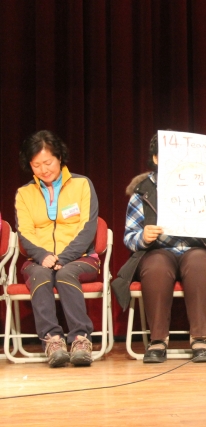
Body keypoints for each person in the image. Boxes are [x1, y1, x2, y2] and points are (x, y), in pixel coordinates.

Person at [111, 133, 206, 363]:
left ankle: (200, 338)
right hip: (158, 251)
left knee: (198, 261)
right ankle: (158, 340)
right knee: (157, 265)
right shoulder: (144, 189)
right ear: (156, 158)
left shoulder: (203, 181)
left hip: (197, 248)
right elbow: (129, 237)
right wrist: (142, 237)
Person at [15, 130, 99, 367]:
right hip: (39, 260)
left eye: (48, 162)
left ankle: (81, 339)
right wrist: (42, 255)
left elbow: (88, 227)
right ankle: (52, 341)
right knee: (40, 274)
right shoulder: (24, 193)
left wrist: (64, 258)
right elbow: (24, 232)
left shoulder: (82, 184)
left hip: (81, 258)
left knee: (65, 273)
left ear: (59, 158)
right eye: (36, 165)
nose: (43, 169)